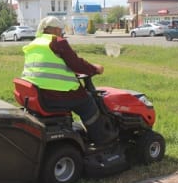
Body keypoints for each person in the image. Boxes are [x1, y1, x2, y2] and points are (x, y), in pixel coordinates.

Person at [21, 16, 117, 145]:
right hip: (54, 94)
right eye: (61, 30)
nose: (62, 33)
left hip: (36, 92)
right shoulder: (58, 42)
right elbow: (76, 64)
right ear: (55, 30)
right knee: (87, 102)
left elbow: (54, 65)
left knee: (82, 97)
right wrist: (95, 68)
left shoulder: (34, 44)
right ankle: (101, 137)